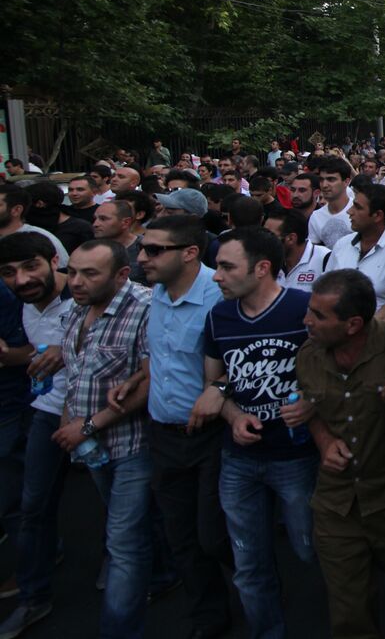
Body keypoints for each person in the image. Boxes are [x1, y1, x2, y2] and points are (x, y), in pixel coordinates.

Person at [186, 226, 317, 639]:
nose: (217, 275)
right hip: (239, 459)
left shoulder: (305, 309)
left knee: (307, 546)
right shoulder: (219, 316)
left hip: (297, 456)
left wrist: (313, 402)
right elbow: (215, 381)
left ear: (262, 268)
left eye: (226, 267)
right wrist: (232, 415)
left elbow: (336, 371)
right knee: (249, 565)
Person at [293, 268, 385, 638]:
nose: (306, 320)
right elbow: (313, 408)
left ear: (353, 324)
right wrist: (324, 440)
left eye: (318, 315)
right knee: (347, 606)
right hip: (337, 500)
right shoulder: (308, 355)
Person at [123, 215, 234, 637]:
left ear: (189, 254)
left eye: (154, 250)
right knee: (181, 537)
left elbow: (246, 360)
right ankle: (209, 616)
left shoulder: (220, 297)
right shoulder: (154, 294)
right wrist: (140, 376)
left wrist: (219, 389)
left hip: (211, 436)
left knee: (214, 536)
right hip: (163, 433)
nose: (143, 257)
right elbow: (163, 354)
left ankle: (258, 587)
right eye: (142, 248)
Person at [56, 240, 154, 638]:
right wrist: (71, 425)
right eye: (73, 272)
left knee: (123, 544)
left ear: (122, 275)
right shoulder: (76, 309)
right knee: (131, 527)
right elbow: (76, 373)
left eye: (89, 274)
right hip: (91, 447)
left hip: (133, 445)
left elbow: (150, 379)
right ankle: (164, 573)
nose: (76, 282)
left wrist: (89, 425)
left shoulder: (146, 308)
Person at [0, 234, 73, 637]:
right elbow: (31, 348)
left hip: (96, 413)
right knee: (33, 506)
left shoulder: (82, 294)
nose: (22, 279)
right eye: (9, 273)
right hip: (44, 412)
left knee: (124, 511)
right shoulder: (23, 303)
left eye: (30, 267)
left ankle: (158, 574)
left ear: (52, 261)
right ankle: (33, 596)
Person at [327, 185, 385, 313]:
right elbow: (326, 285)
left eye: (358, 207)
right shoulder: (342, 244)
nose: (349, 211)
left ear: (377, 215)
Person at [265, 209, 333, 295]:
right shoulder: (265, 261)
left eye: (270, 235)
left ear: (291, 238)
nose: (264, 239)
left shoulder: (325, 258)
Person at [309, 159, 354, 249]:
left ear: (346, 181)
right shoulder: (316, 216)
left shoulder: (361, 211)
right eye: (321, 180)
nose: (324, 185)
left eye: (331, 179)